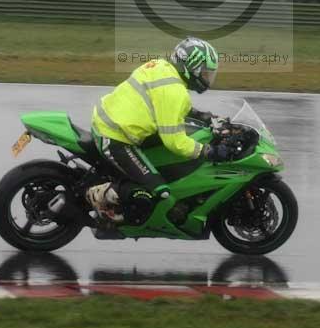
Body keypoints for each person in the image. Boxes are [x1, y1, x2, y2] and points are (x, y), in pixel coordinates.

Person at [86, 36, 228, 224]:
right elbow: (175, 142)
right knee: (158, 191)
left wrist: (203, 116)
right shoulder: (175, 91)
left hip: (108, 121)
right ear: (191, 67)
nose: (207, 78)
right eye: (204, 72)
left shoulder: (160, 66)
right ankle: (100, 193)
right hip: (114, 137)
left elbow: (165, 106)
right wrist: (207, 151)